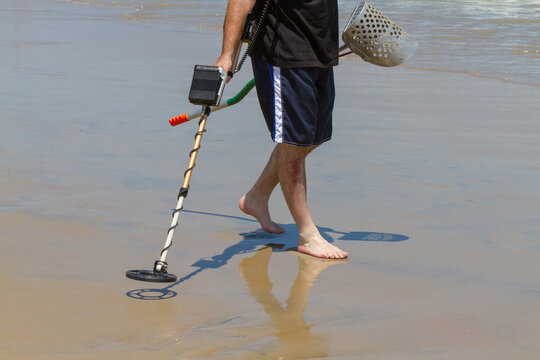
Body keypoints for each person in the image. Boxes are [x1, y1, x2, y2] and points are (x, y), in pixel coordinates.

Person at [214, 0, 348, 259]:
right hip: (284, 52)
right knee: (293, 144)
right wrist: (227, 54)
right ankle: (308, 235)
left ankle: (257, 196)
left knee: (312, 138)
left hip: (320, 50)